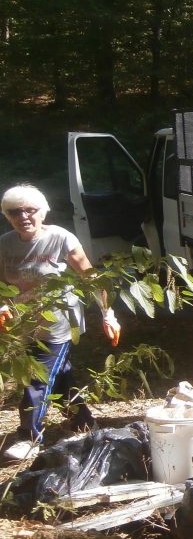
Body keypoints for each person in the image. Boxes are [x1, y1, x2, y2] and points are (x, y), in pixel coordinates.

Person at [1, 184, 120, 459]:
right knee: (60, 374)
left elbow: (91, 278)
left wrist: (107, 314)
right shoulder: (4, 243)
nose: (24, 217)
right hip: (24, 324)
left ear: (42, 211)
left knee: (37, 379)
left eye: (30, 210)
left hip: (59, 323)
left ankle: (30, 436)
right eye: (15, 211)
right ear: (8, 216)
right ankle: (83, 420)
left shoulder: (60, 238)